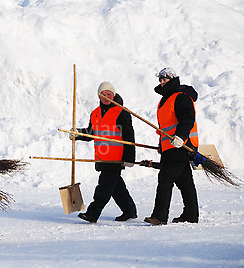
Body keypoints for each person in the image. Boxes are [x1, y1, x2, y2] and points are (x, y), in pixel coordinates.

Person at [70, 82, 137, 223]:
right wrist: (78, 134)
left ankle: (93, 213)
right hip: (102, 157)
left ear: (114, 94)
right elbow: (92, 133)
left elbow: (129, 136)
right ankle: (129, 210)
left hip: (116, 158)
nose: (106, 97)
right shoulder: (95, 113)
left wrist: (129, 158)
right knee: (116, 186)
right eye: (103, 95)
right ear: (99, 96)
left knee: (104, 187)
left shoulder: (121, 111)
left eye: (109, 94)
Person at [144, 67, 199, 225]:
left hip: (182, 146)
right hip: (170, 147)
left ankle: (160, 216)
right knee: (184, 182)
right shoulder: (166, 99)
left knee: (165, 178)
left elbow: (187, 119)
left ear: (172, 80)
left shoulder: (181, 96)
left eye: (164, 80)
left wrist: (181, 137)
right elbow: (166, 127)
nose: (161, 82)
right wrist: (161, 145)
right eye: (160, 80)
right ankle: (191, 215)